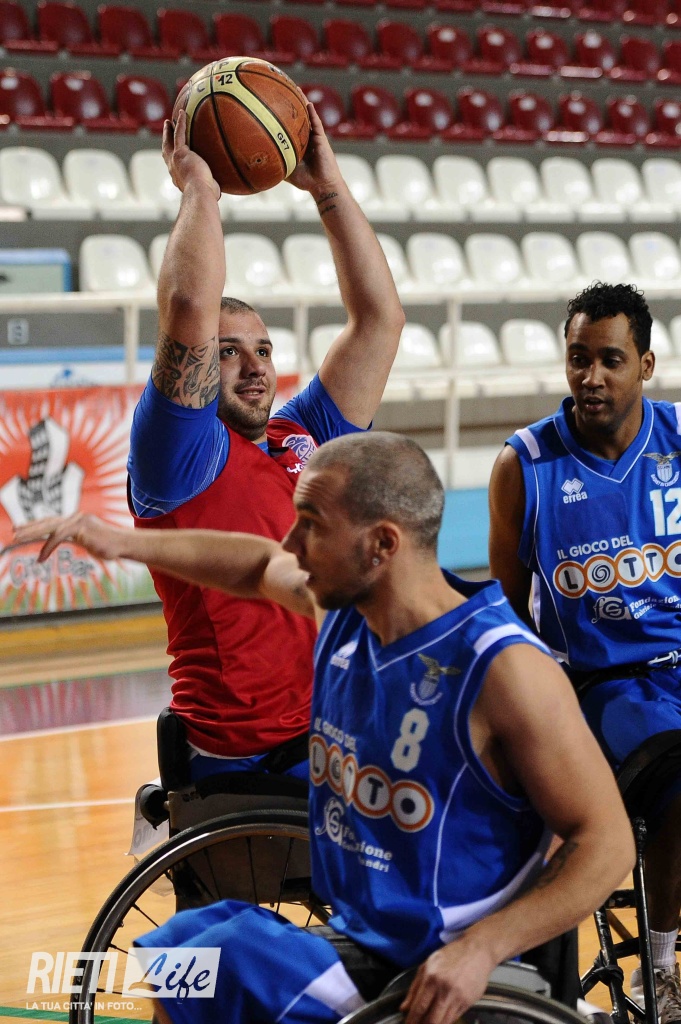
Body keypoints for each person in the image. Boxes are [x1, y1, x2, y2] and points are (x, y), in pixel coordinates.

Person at [14, 431, 634, 1024]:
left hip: (437, 961)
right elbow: (257, 563)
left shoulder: (503, 669)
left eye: (310, 523)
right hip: (361, 937)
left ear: (381, 544)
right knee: (183, 952)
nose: (291, 540)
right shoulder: (345, 614)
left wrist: (482, 949)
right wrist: (120, 542)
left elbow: (607, 844)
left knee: (210, 962)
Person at [127, 106, 404, 782]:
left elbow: (380, 321)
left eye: (263, 350)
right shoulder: (179, 455)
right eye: (227, 352)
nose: (254, 367)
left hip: (331, 730)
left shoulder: (302, 434)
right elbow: (189, 307)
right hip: (249, 756)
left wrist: (327, 187)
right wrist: (200, 188)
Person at [488, 281, 681, 1023]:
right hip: (604, 686)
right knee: (678, 777)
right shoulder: (526, 465)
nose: (590, 376)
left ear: (645, 365)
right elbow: (507, 614)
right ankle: (660, 968)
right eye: (578, 359)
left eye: (609, 360)